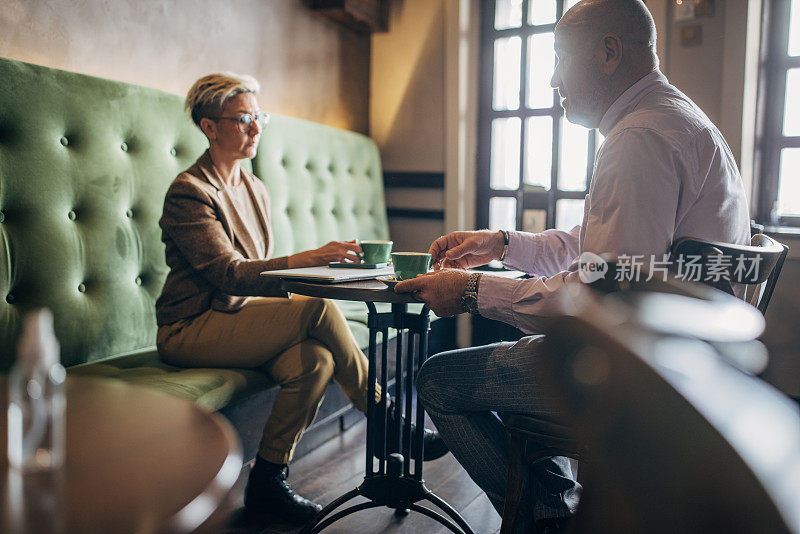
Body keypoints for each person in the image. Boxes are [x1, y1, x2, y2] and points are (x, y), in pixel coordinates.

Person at [395, 0, 750, 531]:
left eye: (560, 58)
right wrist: (502, 244)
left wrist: (474, 292)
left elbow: (599, 300)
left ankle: (548, 520)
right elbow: (603, 251)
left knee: (440, 379)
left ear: (609, 52)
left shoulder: (638, 138)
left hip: (636, 377)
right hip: (684, 362)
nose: (552, 78)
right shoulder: (671, 120)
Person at [155, 73, 446, 525]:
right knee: (317, 305)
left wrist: (318, 264)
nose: (256, 129)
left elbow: (253, 276)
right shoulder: (189, 193)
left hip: (237, 318)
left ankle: (267, 482)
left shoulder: (254, 188)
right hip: (190, 327)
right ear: (209, 126)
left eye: (259, 118)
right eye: (244, 119)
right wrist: (308, 258)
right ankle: (387, 418)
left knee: (315, 362)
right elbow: (228, 274)